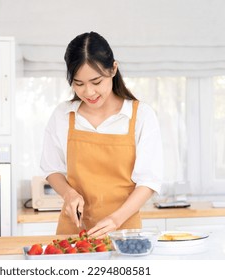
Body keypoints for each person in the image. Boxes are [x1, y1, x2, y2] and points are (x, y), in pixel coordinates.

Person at [40, 31, 163, 238]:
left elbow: (149, 182)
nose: (88, 92)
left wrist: (115, 219)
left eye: (96, 82)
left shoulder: (141, 116)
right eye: (79, 83)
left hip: (125, 232)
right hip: (74, 233)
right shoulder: (63, 115)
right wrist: (69, 194)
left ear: (113, 69)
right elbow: (52, 169)